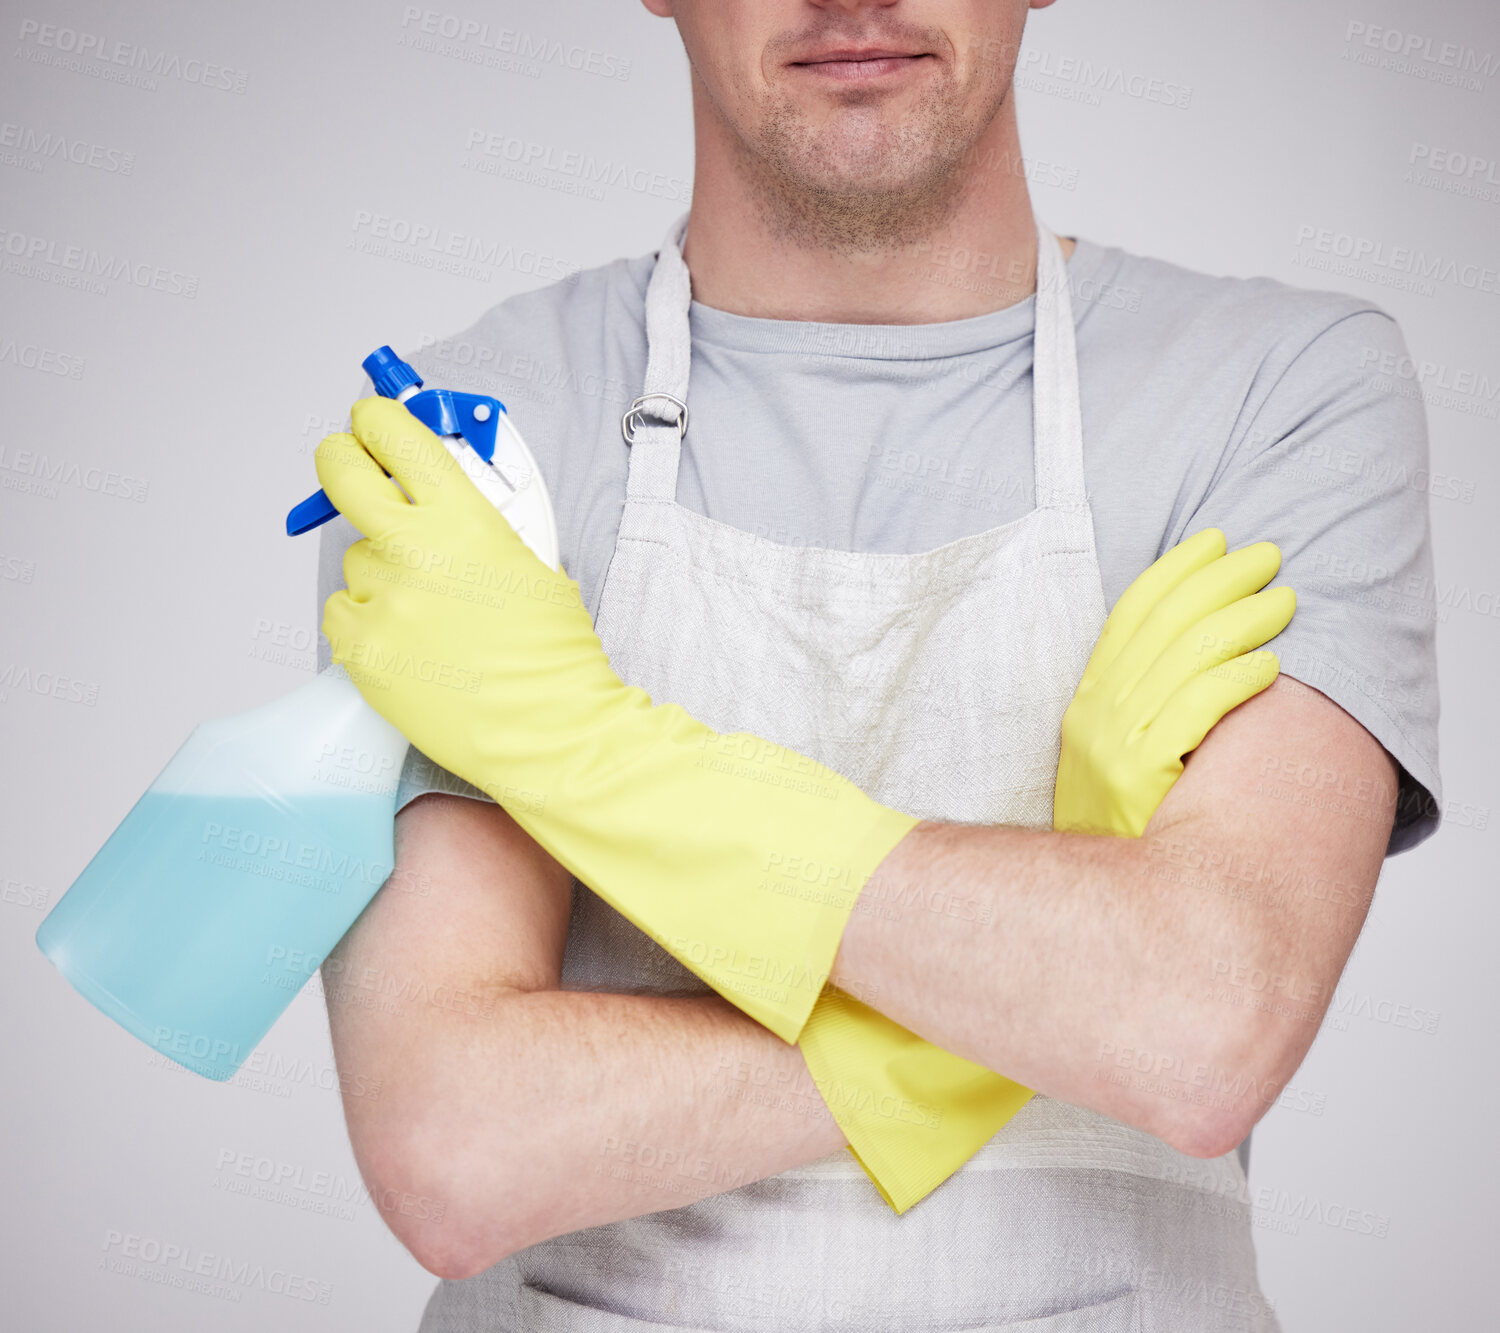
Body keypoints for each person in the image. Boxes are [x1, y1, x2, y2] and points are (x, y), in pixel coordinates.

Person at [314, 2, 1440, 1328]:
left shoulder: (1278, 393)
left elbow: (1205, 1027)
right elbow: (458, 1151)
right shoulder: (473, 438)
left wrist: (581, 746)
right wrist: (1057, 989)